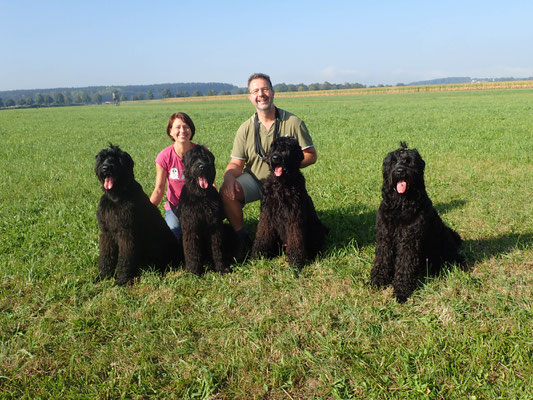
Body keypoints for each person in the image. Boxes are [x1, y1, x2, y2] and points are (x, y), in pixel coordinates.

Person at [220, 73, 317, 244]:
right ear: (250, 97)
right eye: (255, 91)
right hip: (256, 180)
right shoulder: (245, 128)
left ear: (272, 92)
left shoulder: (293, 122)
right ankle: (241, 235)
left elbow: (311, 155)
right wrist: (228, 177)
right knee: (227, 193)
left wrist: (289, 166)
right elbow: (236, 163)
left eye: (265, 89)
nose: (261, 94)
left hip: (286, 181)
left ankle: (290, 236)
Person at [150, 112, 197, 237]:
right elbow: (159, 190)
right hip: (175, 207)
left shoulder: (201, 153)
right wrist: (146, 211)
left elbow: (210, 183)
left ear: (191, 130)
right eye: (178, 127)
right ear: (170, 131)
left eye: (186, 126)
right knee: (174, 234)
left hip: (197, 204)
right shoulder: (164, 157)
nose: (182, 130)